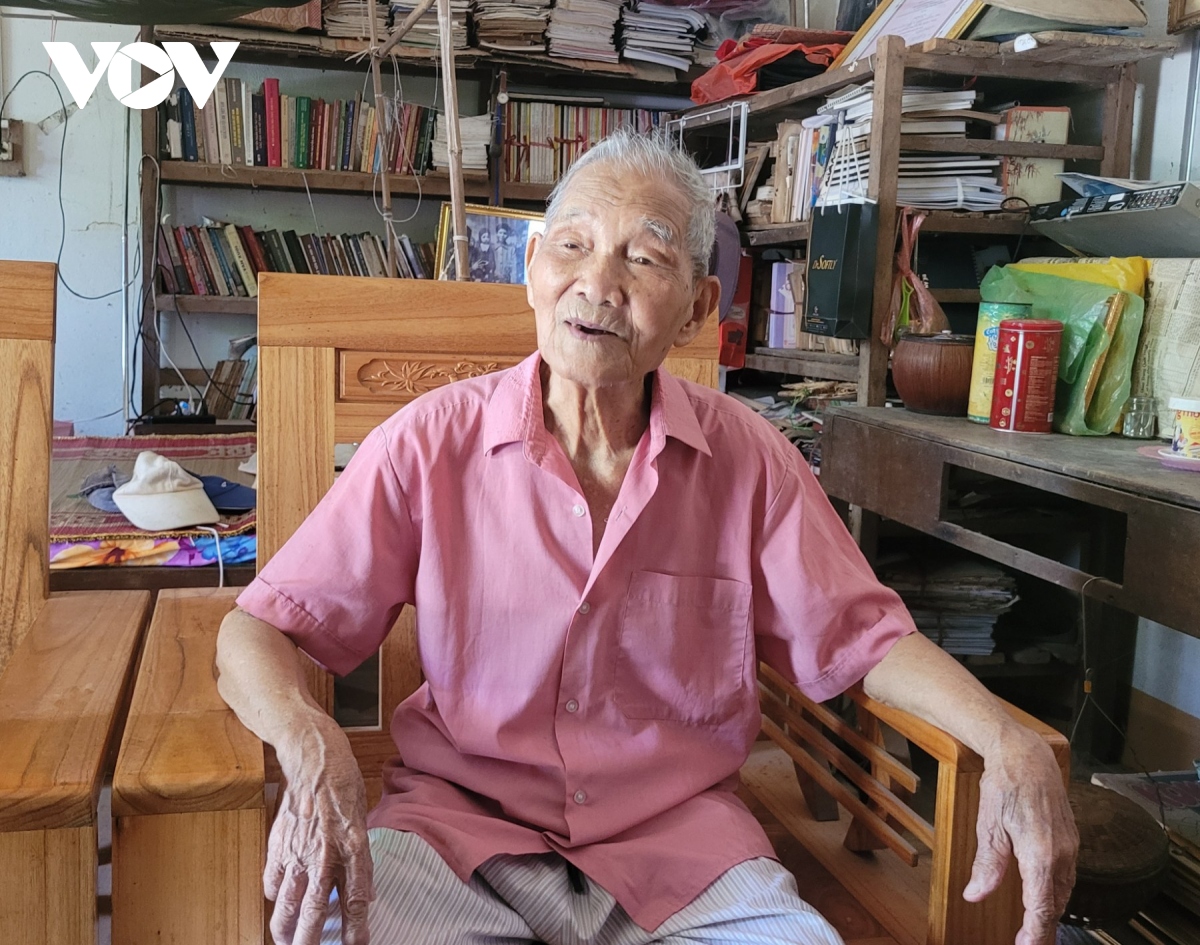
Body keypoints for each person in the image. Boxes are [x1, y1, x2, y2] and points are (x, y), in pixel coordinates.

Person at [216, 129, 1078, 945]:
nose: (598, 284)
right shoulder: (427, 442)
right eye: (573, 245)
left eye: (645, 257)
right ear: (531, 268)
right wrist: (309, 736)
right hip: (456, 837)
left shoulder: (751, 460)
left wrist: (1010, 738)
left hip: (686, 853)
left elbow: (865, 638)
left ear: (697, 309)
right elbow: (259, 628)